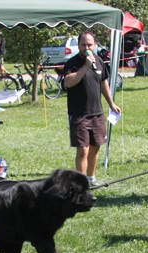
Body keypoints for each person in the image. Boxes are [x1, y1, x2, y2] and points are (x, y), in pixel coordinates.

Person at [63, 31, 121, 188]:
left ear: (95, 45)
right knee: (83, 150)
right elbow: (69, 82)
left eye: (89, 45)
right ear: (78, 46)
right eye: (83, 45)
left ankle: (91, 179)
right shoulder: (72, 63)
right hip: (79, 114)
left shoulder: (99, 61)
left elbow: (103, 82)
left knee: (95, 147)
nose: (86, 48)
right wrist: (86, 66)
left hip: (97, 113)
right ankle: (81, 184)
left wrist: (111, 103)